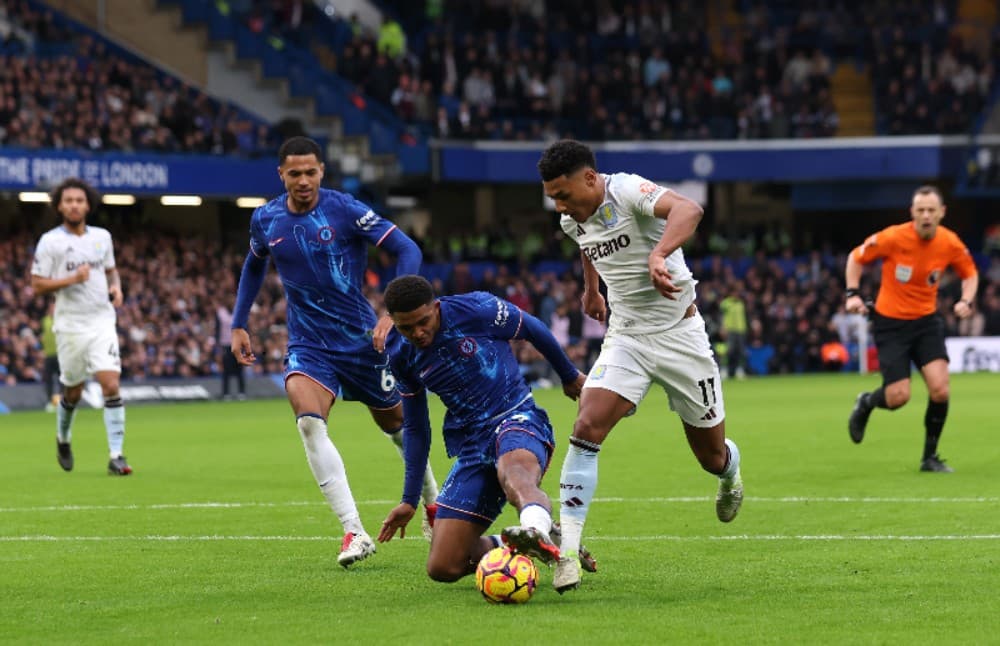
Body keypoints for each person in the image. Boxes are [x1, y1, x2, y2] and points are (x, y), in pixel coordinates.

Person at [537, 140, 744, 593]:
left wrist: (658, 253)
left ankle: (731, 471)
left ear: (590, 178)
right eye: (553, 196)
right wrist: (592, 290)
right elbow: (586, 245)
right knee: (586, 427)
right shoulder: (573, 217)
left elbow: (688, 209)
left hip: (680, 337)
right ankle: (567, 552)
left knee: (710, 457)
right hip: (627, 337)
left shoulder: (628, 190)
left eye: (564, 193)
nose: (559, 205)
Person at [230, 136, 439, 568]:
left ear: (321, 171)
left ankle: (434, 507)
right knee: (309, 424)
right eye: (294, 173)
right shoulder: (266, 219)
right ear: (281, 175)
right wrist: (238, 322)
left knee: (399, 426)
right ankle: (354, 530)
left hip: (363, 341)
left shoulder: (344, 208)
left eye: (310, 172)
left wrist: (392, 312)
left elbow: (407, 248)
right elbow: (254, 264)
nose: (303, 181)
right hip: (309, 343)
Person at [376, 275, 591, 583]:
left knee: (515, 474)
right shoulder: (400, 354)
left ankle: (534, 527)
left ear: (435, 308)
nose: (418, 333)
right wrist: (410, 499)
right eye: (406, 328)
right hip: (473, 445)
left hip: (517, 418)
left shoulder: (477, 309)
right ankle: (536, 539)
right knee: (443, 567)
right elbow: (416, 427)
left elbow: (531, 327)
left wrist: (569, 375)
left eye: (423, 322)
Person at [845, 185, 979, 472]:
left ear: (942, 212)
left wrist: (966, 300)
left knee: (941, 390)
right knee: (898, 397)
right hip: (890, 324)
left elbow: (970, 273)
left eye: (932, 210)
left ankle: (929, 457)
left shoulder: (950, 242)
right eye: (921, 210)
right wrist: (852, 293)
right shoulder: (894, 237)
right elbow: (856, 258)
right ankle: (866, 402)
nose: (926, 215)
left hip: (926, 323)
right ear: (912, 213)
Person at [30, 177, 132, 475]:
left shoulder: (102, 237)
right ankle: (63, 438)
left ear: (88, 204)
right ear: (60, 206)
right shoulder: (51, 241)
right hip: (70, 326)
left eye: (79, 200)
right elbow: (37, 284)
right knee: (72, 392)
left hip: (102, 320)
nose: (74, 205)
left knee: (111, 384)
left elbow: (112, 272)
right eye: (68, 201)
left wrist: (117, 289)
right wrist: (71, 280)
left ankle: (116, 455)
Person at [216, 295, 245, 400]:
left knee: (239, 369)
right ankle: (226, 393)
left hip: (238, 344)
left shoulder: (239, 311)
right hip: (225, 344)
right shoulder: (221, 313)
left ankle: (241, 392)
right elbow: (217, 330)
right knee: (226, 370)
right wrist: (218, 347)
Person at [41, 301, 60, 412]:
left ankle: (63, 402)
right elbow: (40, 335)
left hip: (60, 355)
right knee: (48, 381)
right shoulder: (44, 321)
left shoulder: (61, 320)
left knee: (63, 380)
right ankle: (50, 402)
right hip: (48, 355)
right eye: (52, 308)